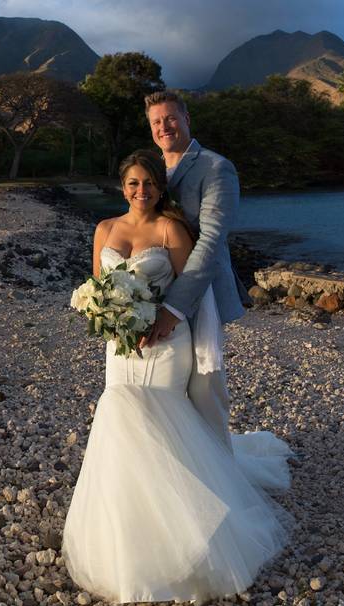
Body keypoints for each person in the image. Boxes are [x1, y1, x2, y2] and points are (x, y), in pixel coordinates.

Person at [61, 150, 292, 604]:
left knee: (164, 425)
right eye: (133, 184)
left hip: (166, 343)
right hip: (121, 347)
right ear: (121, 186)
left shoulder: (171, 229)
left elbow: (192, 289)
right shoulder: (104, 230)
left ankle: (193, 536)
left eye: (149, 183)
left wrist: (164, 322)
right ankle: (129, 532)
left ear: (159, 188)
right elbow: (97, 289)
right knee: (120, 419)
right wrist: (108, 318)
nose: (141, 191)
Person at [142, 90, 251, 453]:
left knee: (205, 386)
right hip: (156, 290)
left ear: (187, 119)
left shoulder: (216, 168)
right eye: (156, 122)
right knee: (165, 382)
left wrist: (173, 309)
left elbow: (211, 241)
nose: (164, 127)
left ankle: (221, 471)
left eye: (170, 118)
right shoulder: (153, 171)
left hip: (198, 294)